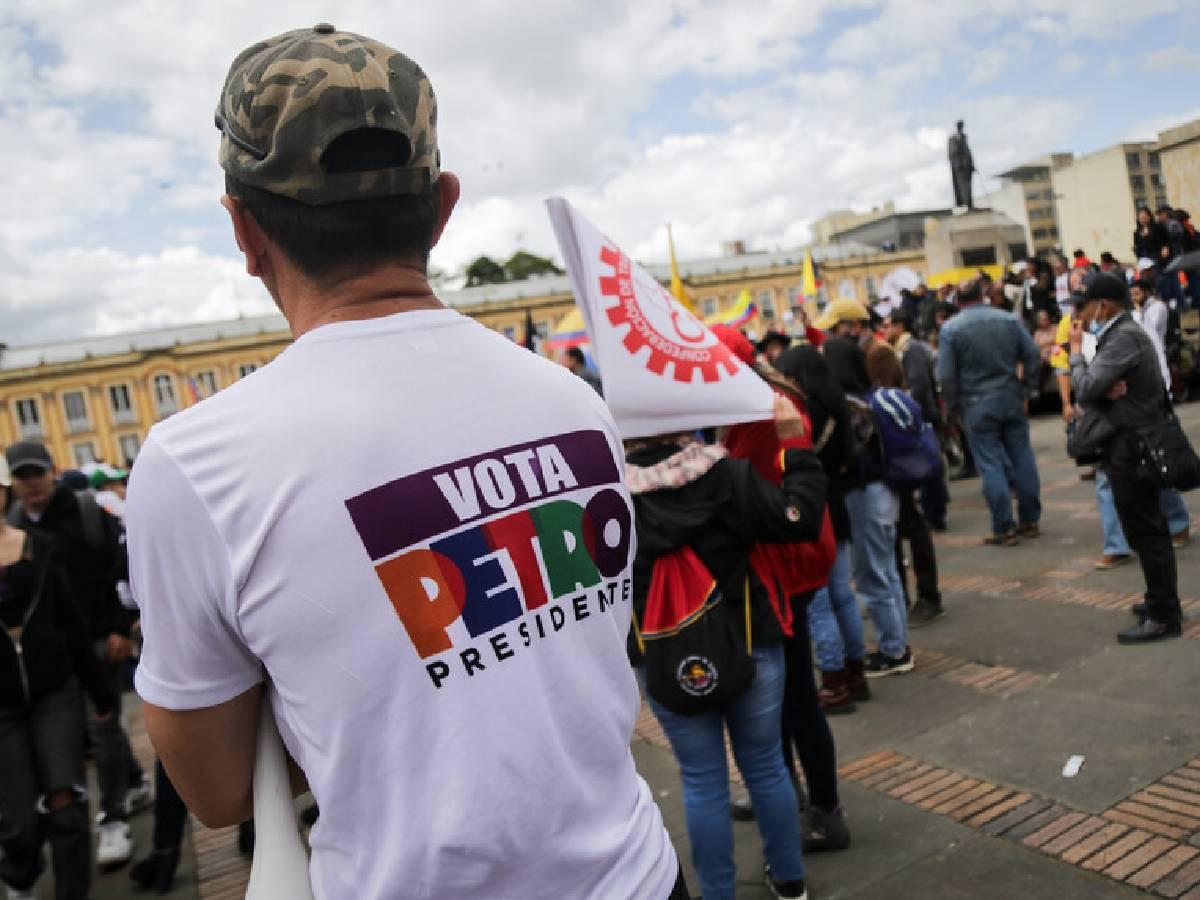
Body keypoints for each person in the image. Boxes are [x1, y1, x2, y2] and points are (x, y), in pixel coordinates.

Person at [125, 26, 681, 900]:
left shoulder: (195, 466)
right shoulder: (572, 401)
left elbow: (218, 788)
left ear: (242, 227)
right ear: (443, 204)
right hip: (641, 878)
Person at [626, 394, 827, 900]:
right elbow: (798, 518)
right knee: (765, 765)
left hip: (666, 655)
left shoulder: (610, 500)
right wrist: (793, 446)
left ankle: (717, 893)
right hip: (750, 641)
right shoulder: (727, 476)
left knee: (701, 781)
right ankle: (789, 880)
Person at [711, 326, 849, 858]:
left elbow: (777, 499)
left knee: (794, 699)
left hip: (786, 561)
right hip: (784, 558)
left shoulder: (764, 411)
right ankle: (786, 789)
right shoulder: (761, 401)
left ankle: (825, 810)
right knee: (785, 695)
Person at [5, 441, 143, 870]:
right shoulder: (12, 526)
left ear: (52, 471)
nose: (30, 484)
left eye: (36, 473)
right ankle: (135, 780)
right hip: (52, 658)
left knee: (100, 726)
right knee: (92, 732)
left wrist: (122, 626)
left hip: (99, 637)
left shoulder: (84, 512)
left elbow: (123, 567)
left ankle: (114, 817)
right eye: (21, 477)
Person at [1068, 274, 1182, 644]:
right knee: (1145, 529)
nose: (1080, 316)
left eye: (1084, 307)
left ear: (1104, 305)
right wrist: (1104, 390)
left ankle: (1164, 614)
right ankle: (1159, 600)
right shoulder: (1120, 336)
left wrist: (1075, 355)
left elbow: (1085, 390)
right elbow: (1100, 390)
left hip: (1133, 447)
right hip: (1131, 443)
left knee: (1147, 531)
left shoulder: (1122, 338)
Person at [775, 345, 869, 716]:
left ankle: (832, 682)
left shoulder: (802, 412)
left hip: (813, 511)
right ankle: (855, 672)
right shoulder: (840, 407)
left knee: (819, 602)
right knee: (843, 595)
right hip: (837, 505)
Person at [821, 309, 913, 677]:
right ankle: (898, 642)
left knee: (873, 574)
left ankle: (893, 649)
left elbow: (848, 459)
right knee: (887, 570)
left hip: (865, 494)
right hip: (885, 491)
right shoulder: (871, 396)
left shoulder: (850, 407)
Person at [937, 280, 1043, 545]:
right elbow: (1032, 353)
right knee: (1022, 456)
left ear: (958, 302)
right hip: (1010, 395)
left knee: (990, 463)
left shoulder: (951, 329)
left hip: (975, 403)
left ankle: (1003, 526)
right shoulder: (1008, 320)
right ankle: (1030, 519)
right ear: (982, 296)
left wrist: (953, 406)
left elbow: (947, 376)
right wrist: (1027, 387)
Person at [885, 310, 947, 532]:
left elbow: (918, 384)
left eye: (889, 325)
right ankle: (936, 507)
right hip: (922, 413)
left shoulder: (911, 350)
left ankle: (935, 514)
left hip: (922, 414)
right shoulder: (905, 349)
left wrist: (909, 411)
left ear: (900, 327)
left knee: (929, 467)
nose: (885, 330)